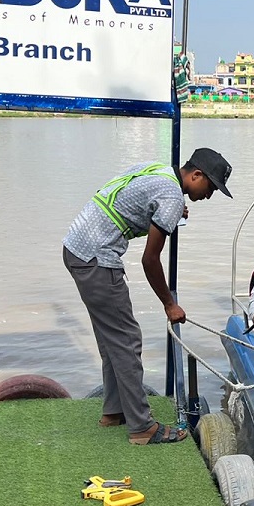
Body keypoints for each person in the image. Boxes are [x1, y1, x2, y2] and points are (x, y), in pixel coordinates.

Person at [63, 148, 232, 446]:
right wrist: (170, 304)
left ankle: (113, 411)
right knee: (127, 340)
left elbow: (130, 201)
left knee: (111, 338)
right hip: (97, 258)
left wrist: (169, 212)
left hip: (77, 246)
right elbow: (150, 260)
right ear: (196, 175)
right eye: (211, 187)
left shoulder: (160, 172)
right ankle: (142, 427)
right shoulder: (171, 198)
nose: (210, 196)